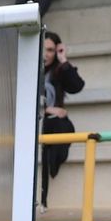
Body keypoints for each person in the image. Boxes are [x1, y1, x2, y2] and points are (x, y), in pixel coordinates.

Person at [39, 31, 85, 208]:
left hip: (53, 123)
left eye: (51, 50)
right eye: (44, 49)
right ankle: (42, 201)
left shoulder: (58, 71)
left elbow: (77, 86)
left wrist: (63, 59)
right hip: (37, 121)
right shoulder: (30, 69)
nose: (46, 54)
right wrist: (48, 108)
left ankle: (55, 161)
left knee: (62, 124)